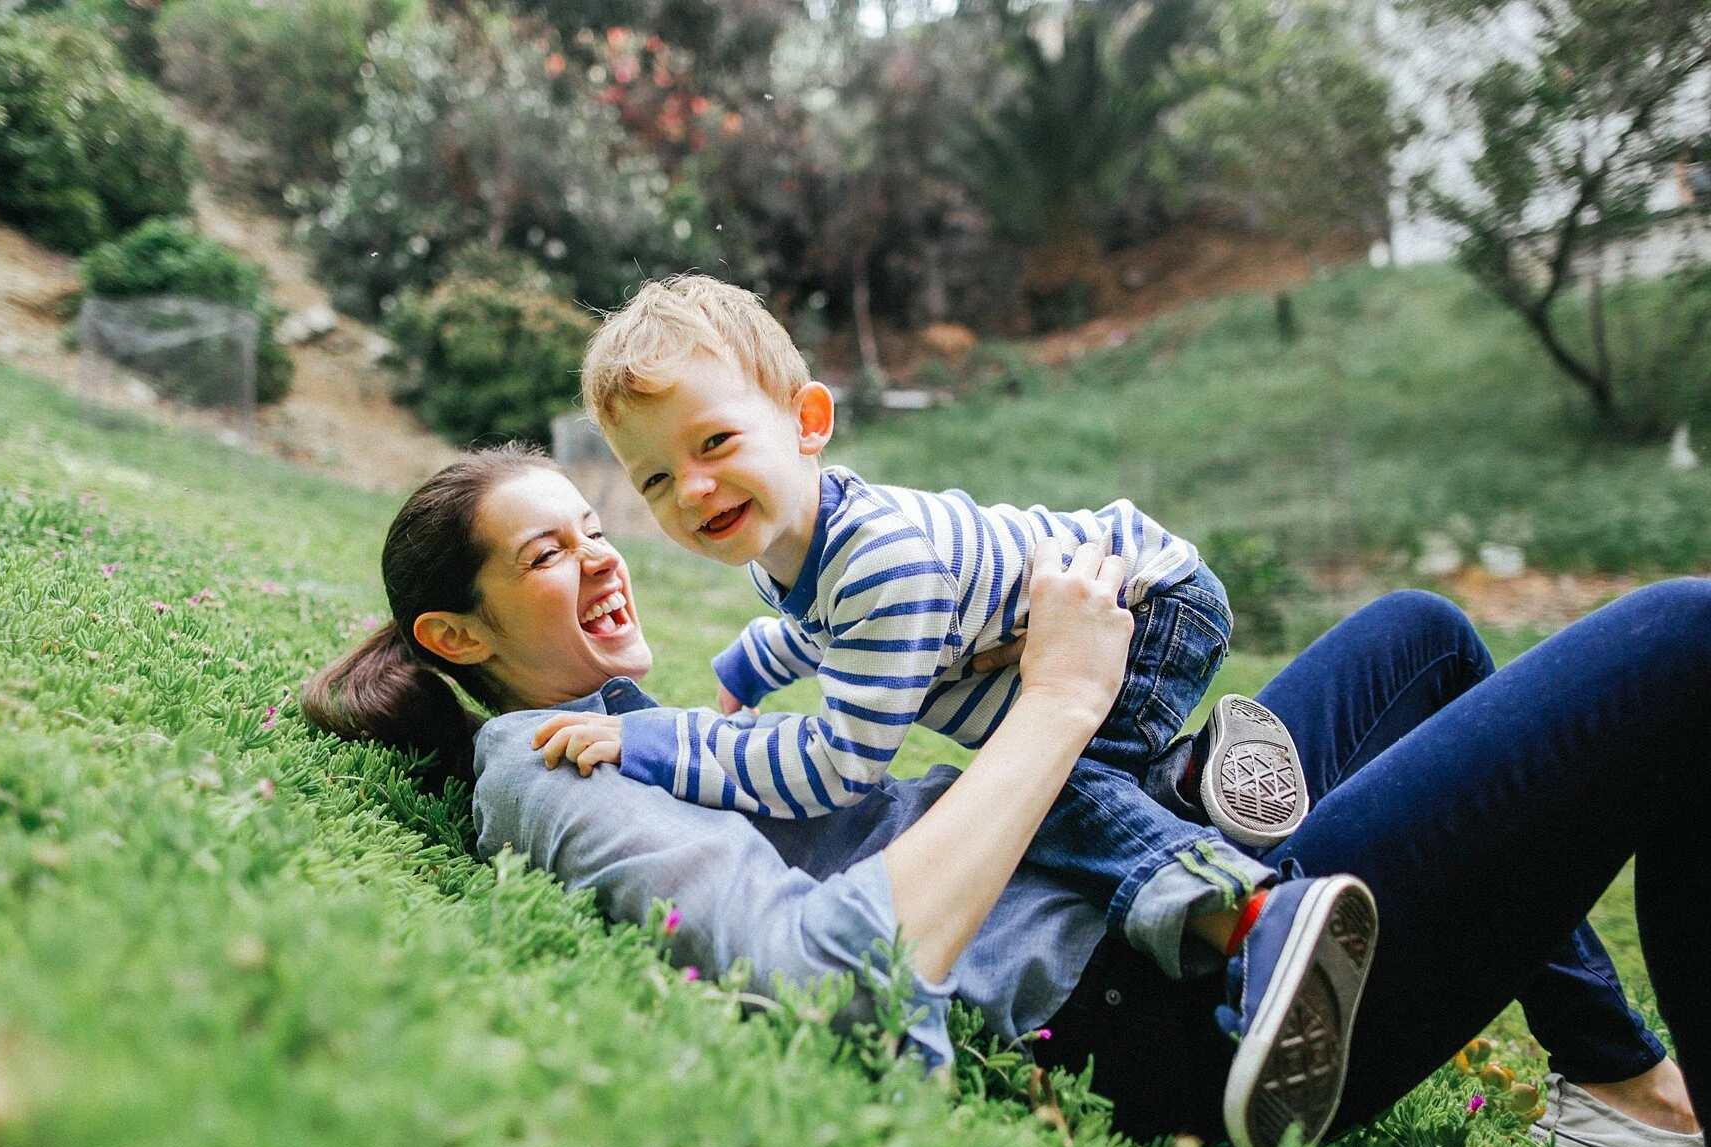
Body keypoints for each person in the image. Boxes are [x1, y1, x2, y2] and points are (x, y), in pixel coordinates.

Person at [301, 446, 1706, 1147]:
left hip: (1115, 879)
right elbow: (821, 977)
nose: (604, 561)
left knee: (1418, 638)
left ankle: (1617, 1082)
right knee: (1681, 645)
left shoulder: (637, 727)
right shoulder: (546, 771)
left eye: (596, 526)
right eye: (548, 554)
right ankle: (1247, 915)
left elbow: (843, 774)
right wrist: (1053, 705)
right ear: (460, 637)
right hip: (1162, 1016)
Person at [542, 276, 1329, 1060]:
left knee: (1048, 802)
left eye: (713, 442)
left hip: (1145, 603)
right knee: (1041, 803)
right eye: (655, 479)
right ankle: (1190, 782)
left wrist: (665, 743)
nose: (693, 488)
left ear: (807, 421)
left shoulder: (881, 562)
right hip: (1100, 606)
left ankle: (1252, 917)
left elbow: (837, 765)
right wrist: (750, 665)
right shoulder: (787, 544)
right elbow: (818, 627)